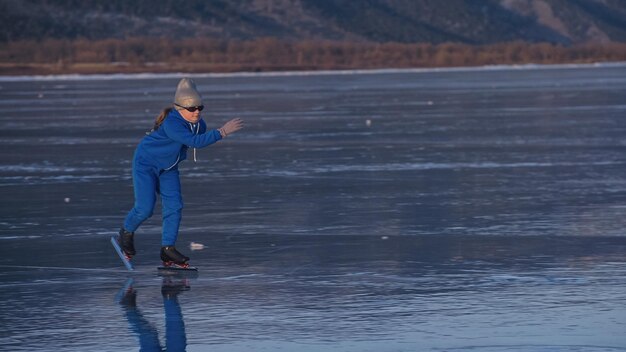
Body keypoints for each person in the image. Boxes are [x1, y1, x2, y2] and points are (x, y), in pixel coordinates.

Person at [117, 78, 243, 268]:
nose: (196, 112)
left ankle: (167, 249)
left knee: (175, 206)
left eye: (199, 107)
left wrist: (214, 133)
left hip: (168, 167)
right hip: (146, 164)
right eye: (191, 109)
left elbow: (198, 136)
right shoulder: (172, 124)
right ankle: (126, 232)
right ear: (179, 108)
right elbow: (195, 142)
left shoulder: (199, 123)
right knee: (145, 208)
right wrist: (222, 132)